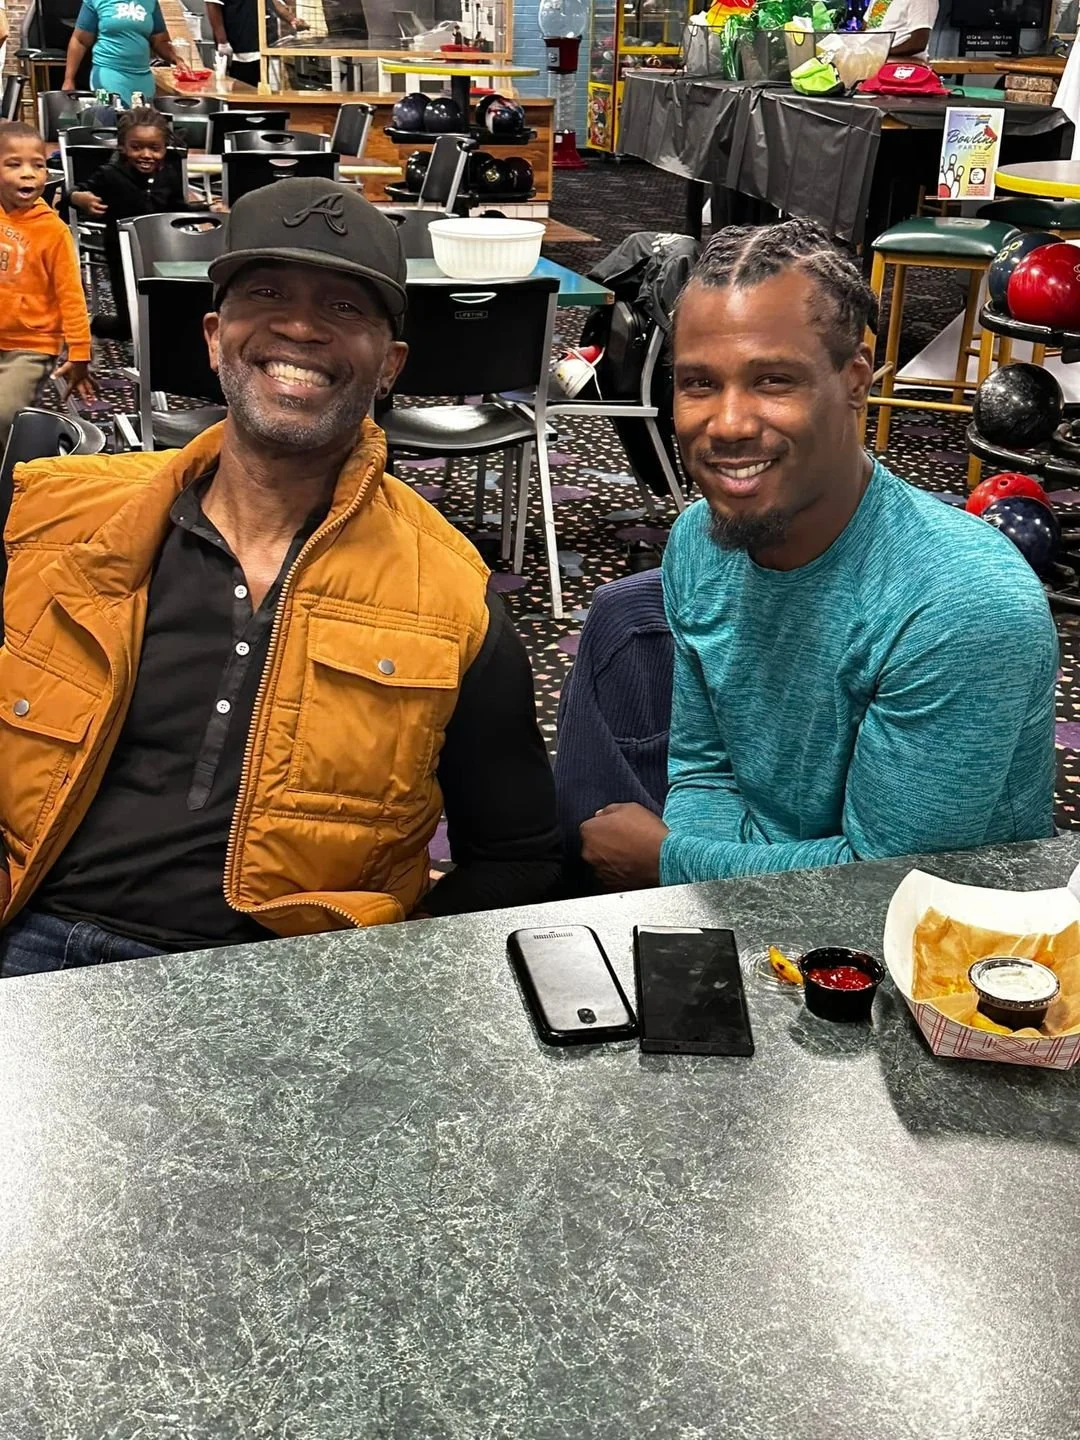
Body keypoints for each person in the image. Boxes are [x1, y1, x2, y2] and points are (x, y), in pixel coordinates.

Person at [0, 178, 562, 974]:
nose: (299, 327)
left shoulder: (450, 593)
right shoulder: (50, 520)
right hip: (31, 941)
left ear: (391, 363)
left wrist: (375, 983)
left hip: (281, 980)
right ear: (212, 334)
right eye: (266, 293)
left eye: (344, 309)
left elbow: (518, 857)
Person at [579, 219, 1057, 892]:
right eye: (699, 383)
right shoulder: (700, 539)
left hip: (943, 954)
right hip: (760, 911)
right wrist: (714, 900)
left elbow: (893, 879)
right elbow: (704, 766)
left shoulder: (962, 604)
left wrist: (671, 863)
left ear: (855, 379)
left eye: (773, 380)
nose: (730, 423)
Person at [70, 106, 215, 340]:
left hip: (164, 248)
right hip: (122, 250)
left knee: (165, 309)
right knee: (129, 319)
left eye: (154, 148)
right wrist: (79, 198)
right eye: (136, 147)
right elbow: (73, 193)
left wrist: (207, 211)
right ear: (122, 147)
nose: (146, 154)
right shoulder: (109, 173)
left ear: (164, 148)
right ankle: (98, 323)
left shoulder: (168, 173)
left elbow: (179, 208)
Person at [0, 122, 93, 447]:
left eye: (38, 165)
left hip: (31, 344)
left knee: (3, 413)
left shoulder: (53, 232)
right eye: (14, 164)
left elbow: (71, 295)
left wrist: (79, 351)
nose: (29, 174)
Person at [62, 0, 183, 105]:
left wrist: (176, 59)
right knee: (114, 121)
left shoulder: (150, 2)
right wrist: (69, 79)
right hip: (109, 74)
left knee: (144, 124)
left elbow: (160, 40)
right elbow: (80, 40)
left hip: (143, 78)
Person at [205, 0, 308, 89]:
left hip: (261, 45)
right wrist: (222, 41)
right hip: (239, 46)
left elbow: (272, 2)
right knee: (241, 94)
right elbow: (212, 5)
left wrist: (291, 19)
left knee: (258, 91)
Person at [863, 0, 939, 59]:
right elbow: (865, 29)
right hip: (871, 62)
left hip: (900, 66)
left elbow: (918, 43)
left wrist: (881, 54)